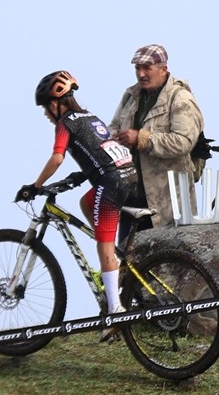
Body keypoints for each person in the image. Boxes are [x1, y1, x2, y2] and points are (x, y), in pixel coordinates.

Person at [17, 70, 138, 337]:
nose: (46, 115)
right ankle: (112, 262)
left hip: (112, 183)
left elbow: (57, 158)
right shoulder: (90, 117)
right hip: (129, 176)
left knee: (102, 246)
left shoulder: (65, 124)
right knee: (87, 203)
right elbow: (100, 151)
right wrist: (80, 176)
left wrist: (34, 187)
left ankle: (115, 313)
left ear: (55, 102)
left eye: (46, 109)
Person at [109, 44, 204, 230]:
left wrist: (141, 139)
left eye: (147, 68)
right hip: (131, 197)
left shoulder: (180, 99)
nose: (141, 74)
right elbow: (113, 126)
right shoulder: (131, 95)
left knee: (167, 257)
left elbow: (183, 142)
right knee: (124, 257)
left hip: (168, 203)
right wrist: (114, 140)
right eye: (137, 68)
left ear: (163, 69)